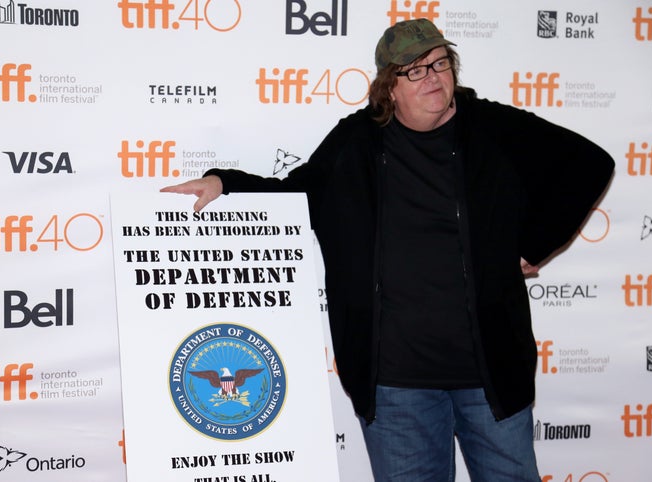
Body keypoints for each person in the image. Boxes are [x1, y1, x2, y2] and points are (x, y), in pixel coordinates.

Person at [161, 18, 614, 482]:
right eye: (414, 70)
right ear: (388, 88)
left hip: (491, 374)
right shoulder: (357, 141)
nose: (433, 77)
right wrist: (225, 182)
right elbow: (298, 192)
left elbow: (589, 164)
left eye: (439, 63)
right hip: (396, 381)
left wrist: (535, 241)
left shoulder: (494, 128)